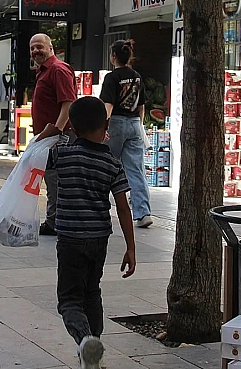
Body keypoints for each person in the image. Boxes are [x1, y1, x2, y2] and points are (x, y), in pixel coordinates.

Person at [47, 96, 136, 369]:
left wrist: (52, 132)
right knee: (91, 292)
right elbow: (123, 207)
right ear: (106, 125)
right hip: (98, 240)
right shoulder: (112, 163)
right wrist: (131, 247)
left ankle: (85, 340)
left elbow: (37, 153)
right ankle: (93, 347)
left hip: (70, 239)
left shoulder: (62, 153)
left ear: (72, 126)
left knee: (70, 300)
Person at [99, 40, 153, 228]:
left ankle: (99, 208)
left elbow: (108, 105)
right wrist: (139, 125)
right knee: (136, 170)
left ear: (114, 56)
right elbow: (142, 106)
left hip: (115, 124)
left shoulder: (111, 78)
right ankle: (143, 213)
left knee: (105, 165)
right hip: (134, 124)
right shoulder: (137, 76)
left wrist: (103, 127)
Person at [29, 33, 77, 236]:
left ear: (51, 48)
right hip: (49, 137)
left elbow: (68, 103)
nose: (35, 51)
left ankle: (55, 222)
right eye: (32, 48)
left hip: (58, 137)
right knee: (52, 179)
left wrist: (57, 132)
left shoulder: (58, 69)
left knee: (56, 179)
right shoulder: (43, 71)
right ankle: (54, 219)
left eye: (39, 46)